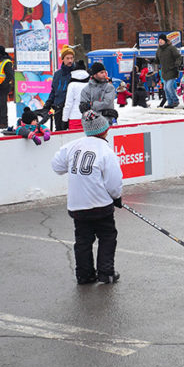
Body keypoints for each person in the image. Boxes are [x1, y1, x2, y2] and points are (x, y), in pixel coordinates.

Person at [51, 110, 124, 285]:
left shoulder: (72, 146)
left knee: (83, 241)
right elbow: (114, 180)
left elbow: (56, 166)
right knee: (107, 237)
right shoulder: (105, 150)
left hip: (78, 205)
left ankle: (84, 275)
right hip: (100, 204)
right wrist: (116, 196)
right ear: (104, 130)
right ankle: (106, 273)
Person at [46, 48, 76, 131]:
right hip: (58, 108)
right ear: (63, 59)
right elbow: (54, 90)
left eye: (71, 58)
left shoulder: (76, 73)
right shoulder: (57, 74)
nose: (70, 60)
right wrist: (49, 101)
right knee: (59, 130)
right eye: (67, 58)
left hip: (70, 108)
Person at [155, 34, 182, 109]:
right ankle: (170, 103)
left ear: (165, 40)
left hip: (172, 70)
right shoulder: (159, 50)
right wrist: (151, 61)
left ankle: (175, 101)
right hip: (164, 72)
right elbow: (157, 61)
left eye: (161, 40)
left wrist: (177, 64)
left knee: (169, 87)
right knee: (165, 89)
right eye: (159, 40)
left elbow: (178, 57)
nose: (160, 41)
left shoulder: (171, 48)